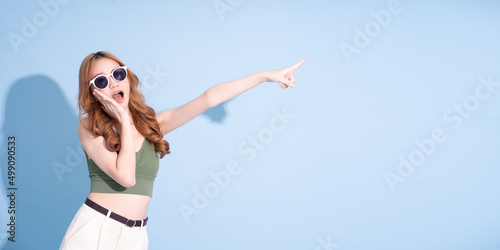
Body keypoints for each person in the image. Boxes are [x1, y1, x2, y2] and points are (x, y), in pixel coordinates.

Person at [59, 51, 305, 249]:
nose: (113, 82)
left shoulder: (152, 126)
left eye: (117, 73)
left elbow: (207, 99)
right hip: (96, 230)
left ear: (127, 77)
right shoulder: (89, 128)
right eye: (102, 80)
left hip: (135, 236)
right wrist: (123, 121)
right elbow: (126, 178)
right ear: (94, 92)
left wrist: (264, 76)